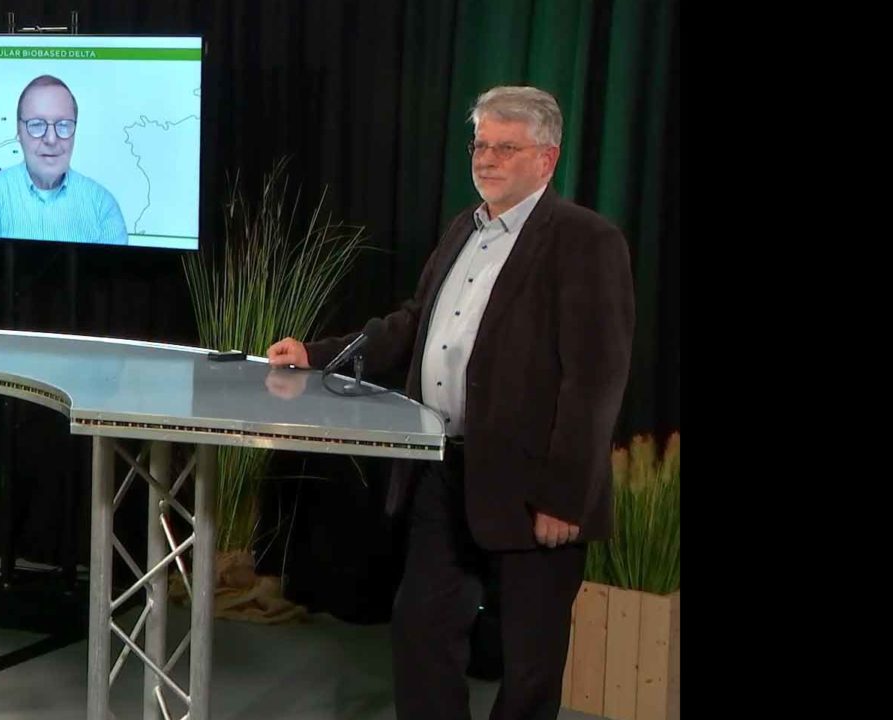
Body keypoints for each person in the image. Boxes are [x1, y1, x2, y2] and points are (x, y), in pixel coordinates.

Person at [265, 85, 633, 720]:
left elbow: (594, 381)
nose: (486, 159)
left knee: (531, 659)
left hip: (535, 487)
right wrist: (320, 353)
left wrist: (563, 497)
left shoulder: (585, 241)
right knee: (421, 629)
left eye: (505, 147)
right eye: (480, 144)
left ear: (547, 159)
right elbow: (414, 323)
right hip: (442, 468)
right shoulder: (465, 226)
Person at [0, 74, 128, 245]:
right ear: (19, 131)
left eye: (64, 125)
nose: (51, 139)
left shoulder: (103, 206)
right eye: (37, 125)